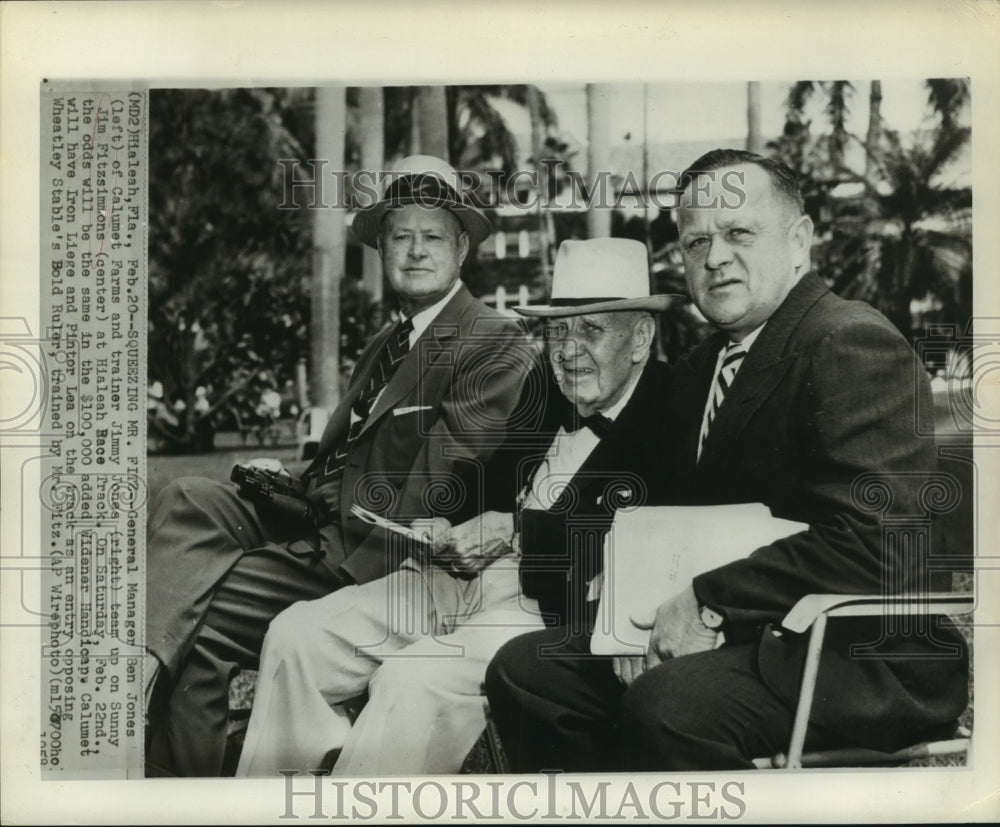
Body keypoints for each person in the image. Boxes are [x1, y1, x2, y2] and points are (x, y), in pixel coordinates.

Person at [485, 149, 969, 772]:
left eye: (739, 232)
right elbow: (669, 521)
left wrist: (704, 603)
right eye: (695, 242)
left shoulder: (849, 341)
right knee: (528, 673)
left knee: (668, 703)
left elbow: (879, 544)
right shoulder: (697, 373)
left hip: (855, 654)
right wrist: (630, 612)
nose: (714, 257)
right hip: (739, 641)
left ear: (799, 242)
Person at [144, 155, 528, 776]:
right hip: (312, 522)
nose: (415, 251)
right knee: (187, 495)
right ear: (381, 247)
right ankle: (144, 668)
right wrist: (287, 483)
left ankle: (173, 773)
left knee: (201, 616)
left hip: (372, 558)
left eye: (432, 237)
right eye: (400, 236)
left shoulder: (493, 341)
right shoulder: (386, 343)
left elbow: (440, 485)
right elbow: (341, 456)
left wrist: (321, 506)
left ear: (462, 249)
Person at [235, 238, 677, 777]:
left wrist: (513, 530)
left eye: (590, 329)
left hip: (548, 607)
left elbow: (619, 543)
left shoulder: (670, 413)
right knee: (296, 636)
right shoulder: (548, 385)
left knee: (409, 681)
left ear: (641, 338)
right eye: (557, 330)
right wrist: (447, 520)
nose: (567, 349)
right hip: (458, 575)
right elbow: (486, 478)